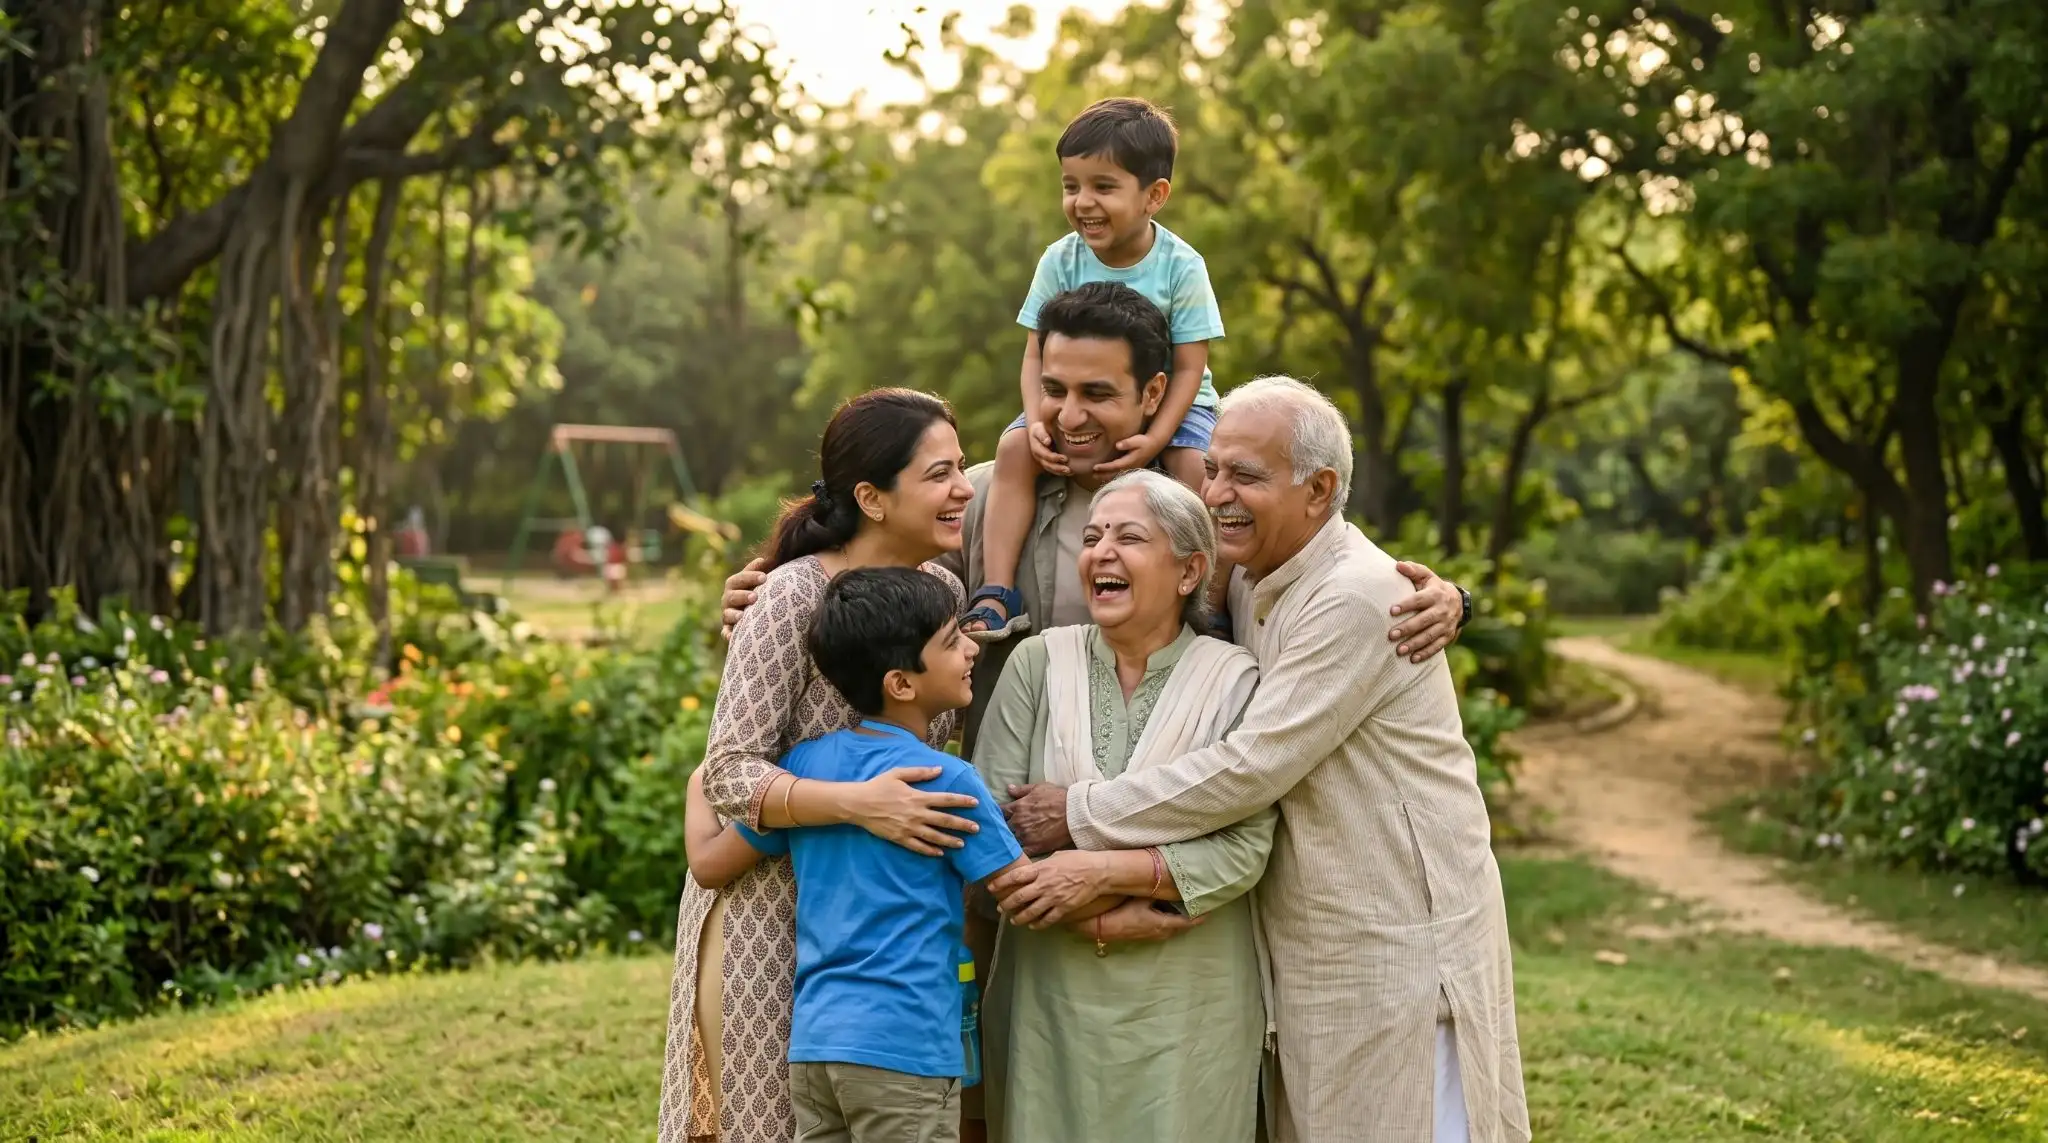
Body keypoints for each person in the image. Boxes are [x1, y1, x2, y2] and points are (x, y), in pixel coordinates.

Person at [1002, 377, 1529, 1143]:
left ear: (1319, 490)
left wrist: (1077, 813)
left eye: (1244, 475)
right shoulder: (1251, 577)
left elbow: (1250, 767)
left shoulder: (1353, 595)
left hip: (1398, 935)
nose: (1217, 493)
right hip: (1312, 933)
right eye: (1213, 469)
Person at [718, 284, 1471, 762]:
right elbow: (871, 558)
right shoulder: (977, 503)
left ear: (1152, 395)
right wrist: (777, 591)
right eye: (1052, 390)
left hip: (1163, 817)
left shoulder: (1209, 511)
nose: (1068, 416)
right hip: (990, 822)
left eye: (1097, 394)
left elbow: (1318, 536)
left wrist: (1454, 597)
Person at [659, 389, 993, 1143]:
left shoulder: (942, 591)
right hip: (769, 914)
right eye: (940, 474)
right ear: (872, 497)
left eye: (961, 467)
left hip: (883, 922)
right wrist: (857, 802)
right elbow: (730, 775)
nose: (964, 489)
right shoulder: (790, 596)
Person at [972, 470, 1270, 1143]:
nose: (1101, 551)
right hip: (1047, 996)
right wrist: (1084, 915)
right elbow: (987, 828)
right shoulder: (1036, 664)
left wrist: (1098, 875)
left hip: (1189, 1004)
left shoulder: (1235, 681)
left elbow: (1245, 847)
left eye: (1129, 537)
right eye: (1093, 535)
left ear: (1191, 569)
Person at [689, 567, 1028, 1143]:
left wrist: (702, 779)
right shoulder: (946, 779)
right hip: (907, 1050)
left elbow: (708, 864)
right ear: (901, 683)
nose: (972, 647)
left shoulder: (803, 769)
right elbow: (1023, 892)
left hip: (815, 1051)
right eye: (951, 642)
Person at [963, 97, 1225, 643]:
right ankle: (996, 591)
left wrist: (1154, 439)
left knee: (1195, 468)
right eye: (1070, 186)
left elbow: (1189, 365)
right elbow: (1036, 352)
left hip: (1178, 403)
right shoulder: (1061, 259)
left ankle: (1213, 601)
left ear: (1154, 196)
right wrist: (1037, 419)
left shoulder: (1182, 266)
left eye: (1103, 187)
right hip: (1076, 391)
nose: (1083, 202)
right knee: (1012, 451)